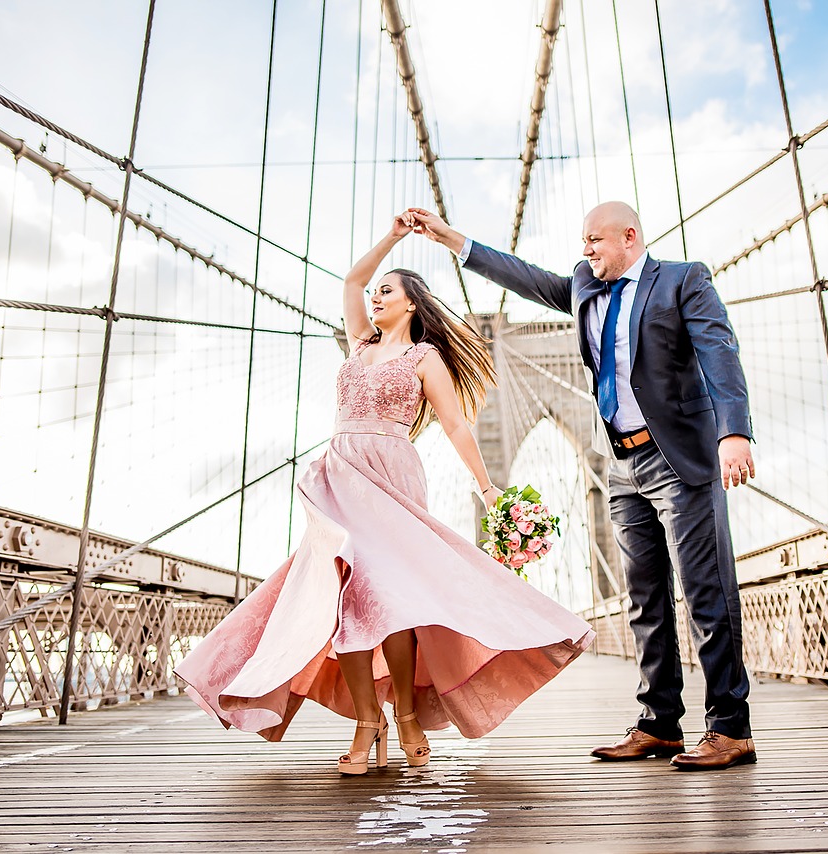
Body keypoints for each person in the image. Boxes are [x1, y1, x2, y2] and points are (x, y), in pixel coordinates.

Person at [174, 213, 594, 776]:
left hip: (392, 474)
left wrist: (488, 488)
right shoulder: (359, 342)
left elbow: (456, 426)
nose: (373, 297)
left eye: (386, 291)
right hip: (340, 473)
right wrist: (393, 238)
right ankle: (367, 720)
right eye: (375, 293)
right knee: (344, 594)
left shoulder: (425, 359)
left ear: (412, 303)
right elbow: (350, 282)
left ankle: (405, 717)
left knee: (388, 598)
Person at [408, 201, 757, 771]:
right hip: (620, 464)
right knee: (645, 599)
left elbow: (720, 355)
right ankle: (659, 723)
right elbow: (524, 277)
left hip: (679, 458)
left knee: (704, 592)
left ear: (629, 236)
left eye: (595, 240)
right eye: (582, 241)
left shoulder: (683, 280)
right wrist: (452, 239)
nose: (586, 250)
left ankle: (730, 728)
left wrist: (733, 433)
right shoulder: (583, 287)